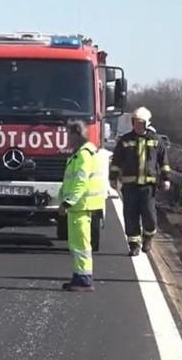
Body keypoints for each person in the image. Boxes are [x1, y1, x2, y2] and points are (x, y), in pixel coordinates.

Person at [109, 106, 171, 256]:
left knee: (149, 216)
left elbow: (164, 162)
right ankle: (134, 244)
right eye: (135, 122)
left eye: (140, 122)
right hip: (129, 186)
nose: (137, 125)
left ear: (146, 123)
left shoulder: (156, 141)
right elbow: (116, 160)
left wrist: (166, 179)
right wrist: (113, 178)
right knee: (130, 216)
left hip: (149, 187)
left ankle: (148, 238)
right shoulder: (125, 140)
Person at [58, 120, 106, 292]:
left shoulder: (83, 155)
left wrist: (67, 201)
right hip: (79, 205)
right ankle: (79, 276)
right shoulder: (80, 153)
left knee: (81, 244)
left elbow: (80, 181)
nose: (67, 138)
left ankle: (84, 279)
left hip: (80, 205)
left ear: (77, 134)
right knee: (77, 243)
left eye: (69, 134)